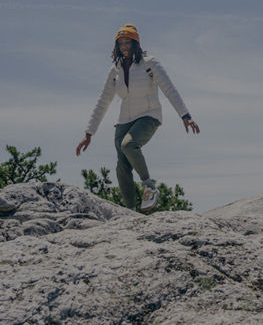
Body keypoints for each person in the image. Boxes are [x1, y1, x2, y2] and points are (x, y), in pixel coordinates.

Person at [76, 24, 199, 212]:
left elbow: (169, 89)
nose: (124, 46)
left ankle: (149, 186)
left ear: (136, 44)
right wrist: (89, 133)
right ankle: (130, 210)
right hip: (124, 120)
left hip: (148, 116)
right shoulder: (115, 71)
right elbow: (103, 101)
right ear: (116, 47)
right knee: (121, 166)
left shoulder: (150, 64)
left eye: (128, 42)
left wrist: (185, 115)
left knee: (128, 145)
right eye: (121, 43)